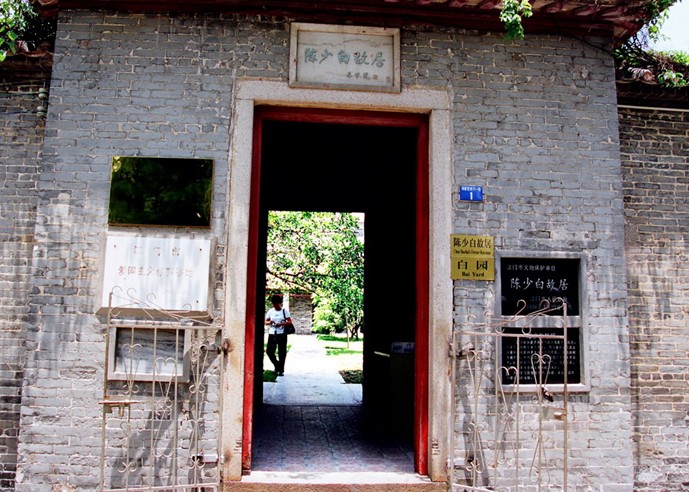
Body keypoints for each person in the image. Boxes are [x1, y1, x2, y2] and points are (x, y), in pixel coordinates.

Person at [264, 294, 292, 376]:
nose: (275, 305)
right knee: (269, 351)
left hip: (282, 333)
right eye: (274, 304)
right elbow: (265, 322)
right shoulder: (271, 311)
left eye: (277, 304)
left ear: (280, 303)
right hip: (272, 333)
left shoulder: (284, 311)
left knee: (282, 352)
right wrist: (270, 322)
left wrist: (281, 324)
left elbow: (289, 321)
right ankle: (277, 365)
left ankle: (281, 370)